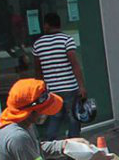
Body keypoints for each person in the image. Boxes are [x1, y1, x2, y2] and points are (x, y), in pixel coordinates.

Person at [32, 13, 86, 141]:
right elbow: (75, 65)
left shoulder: (38, 44)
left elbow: (38, 69)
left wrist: (41, 88)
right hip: (69, 87)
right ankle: (73, 147)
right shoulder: (67, 40)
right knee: (73, 118)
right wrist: (81, 86)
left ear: (46, 25)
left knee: (55, 117)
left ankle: (50, 145)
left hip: (52, 89)